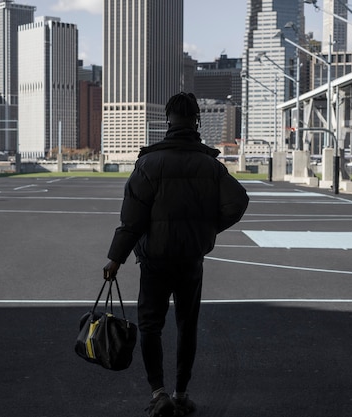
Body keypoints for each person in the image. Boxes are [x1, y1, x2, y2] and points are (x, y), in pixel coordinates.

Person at [103, 92, 249, 417]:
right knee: (187, 325)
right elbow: (238, 201)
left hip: (154, 260)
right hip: (190, 259)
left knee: (150, 326)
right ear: (196, 120)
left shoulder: (148, 164)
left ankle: (158, 393)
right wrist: (207, 229)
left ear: (168, 120)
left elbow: (132, 220)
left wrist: (115, 258)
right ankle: (181, 393)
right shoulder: (210, 166)